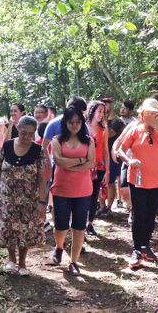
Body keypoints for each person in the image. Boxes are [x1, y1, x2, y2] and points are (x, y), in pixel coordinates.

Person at [117, 99, 158, 268]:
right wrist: (129, 160)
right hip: (137, 179)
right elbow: (120, 149)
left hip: (157, 180)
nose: (151, 116)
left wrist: (156, 127)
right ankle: (136, 249)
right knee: (139, 213)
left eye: (154, 113)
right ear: (142, 114)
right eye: (148, 113)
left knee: (151, 213)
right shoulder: (134, 130)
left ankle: (145, 246)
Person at [0, 116, 48, 276]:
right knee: (8, 227)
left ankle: (22, 262)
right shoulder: (7, 146)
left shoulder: (38, 150)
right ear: (18, 130)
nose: (28, 137)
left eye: (31, 134)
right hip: (6, 198)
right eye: (24, 133)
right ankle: (11, 258)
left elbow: (43, 177)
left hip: (29, 199)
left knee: (25, 229)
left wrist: (43, 201)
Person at [50, 106, 95, 276]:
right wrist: (80, 161)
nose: (74, 125)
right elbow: (59, 161)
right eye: (71, 122)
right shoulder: (57, 140)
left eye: (78, 122)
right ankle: (59, 247)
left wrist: (71, 163)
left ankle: (74, 261)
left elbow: (91, 163)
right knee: (60, 226)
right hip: (61, 189)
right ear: (65, 123)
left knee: (79, 227)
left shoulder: (89, 141)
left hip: (83, 191)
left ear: (82, 123)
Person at [85, 101, 110, 236]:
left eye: (103, 111)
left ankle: (90, 223)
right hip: (85, 166)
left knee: (94, 195)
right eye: (99, 111)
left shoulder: (103, 129)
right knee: (84, 195)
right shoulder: (83, 127)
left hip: (99, 166)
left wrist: (107, 170)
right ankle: (80, 223)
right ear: (92, 111)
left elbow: (106, 150)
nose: (101, 114)